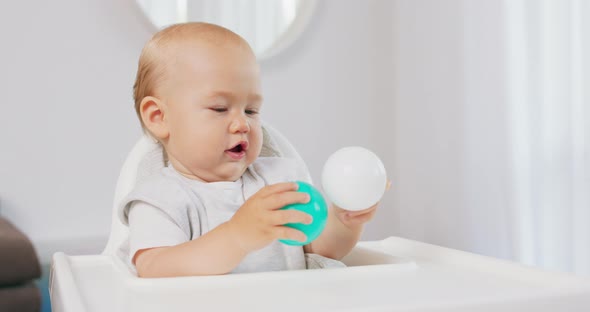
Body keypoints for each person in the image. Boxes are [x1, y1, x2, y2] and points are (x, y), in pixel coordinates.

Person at [119, 22, 379, 278]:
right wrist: (236, 236)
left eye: (251, 110)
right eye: (220, 108)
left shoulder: (279, 182)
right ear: (159, 117)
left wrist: (344, 221)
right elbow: (155, 269)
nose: (243, 123)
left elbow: (319, 249)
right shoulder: (158, 200)